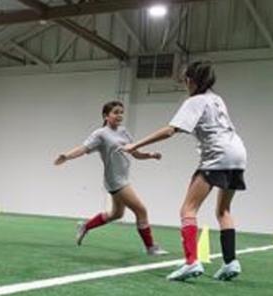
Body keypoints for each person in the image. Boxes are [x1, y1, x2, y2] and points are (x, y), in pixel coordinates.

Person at [123, 61, 248, 282]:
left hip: (218, 154)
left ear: (191, 81)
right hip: (238, 153)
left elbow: (170, 130)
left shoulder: (195, 101)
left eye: (185, 81)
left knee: (188, 210)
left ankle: (191, 262)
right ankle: (230, 262)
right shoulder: (217, 99)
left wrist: (136, 145)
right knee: (223, 211)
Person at [54, 100, 167, 256]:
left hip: (123, 177)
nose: (119, 115)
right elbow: (84, 148)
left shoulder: (124, 131)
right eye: (115, 112)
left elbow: (134, 152)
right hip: (115, 180)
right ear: (106, 116)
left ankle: (85, 226)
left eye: (121, 112)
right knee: (141, 210)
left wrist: (150, 155)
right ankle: (150, 247)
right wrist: (66, 156)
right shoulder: (100, 134)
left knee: (116, 214)